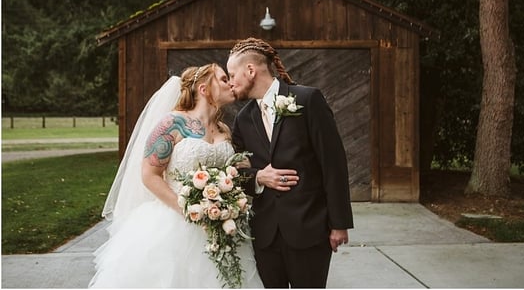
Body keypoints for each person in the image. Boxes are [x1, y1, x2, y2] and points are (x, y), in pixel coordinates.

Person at [91, 65, 262, 288]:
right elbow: (149, 175)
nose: (230, 83)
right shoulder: (172, 124)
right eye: (223, 79)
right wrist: (189, 210)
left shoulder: (223, 130)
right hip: (175, 222)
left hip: (220, 223)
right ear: (204, 89)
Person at [227, 38, 353, 288]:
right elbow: (234, 173)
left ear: (250, 70)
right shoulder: (243, 119)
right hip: (265, 235)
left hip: (309, 229)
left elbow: (333, 163)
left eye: (232, 74)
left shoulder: (307, 99)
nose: (230, 82)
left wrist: (339, 224)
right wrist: (258, 177)